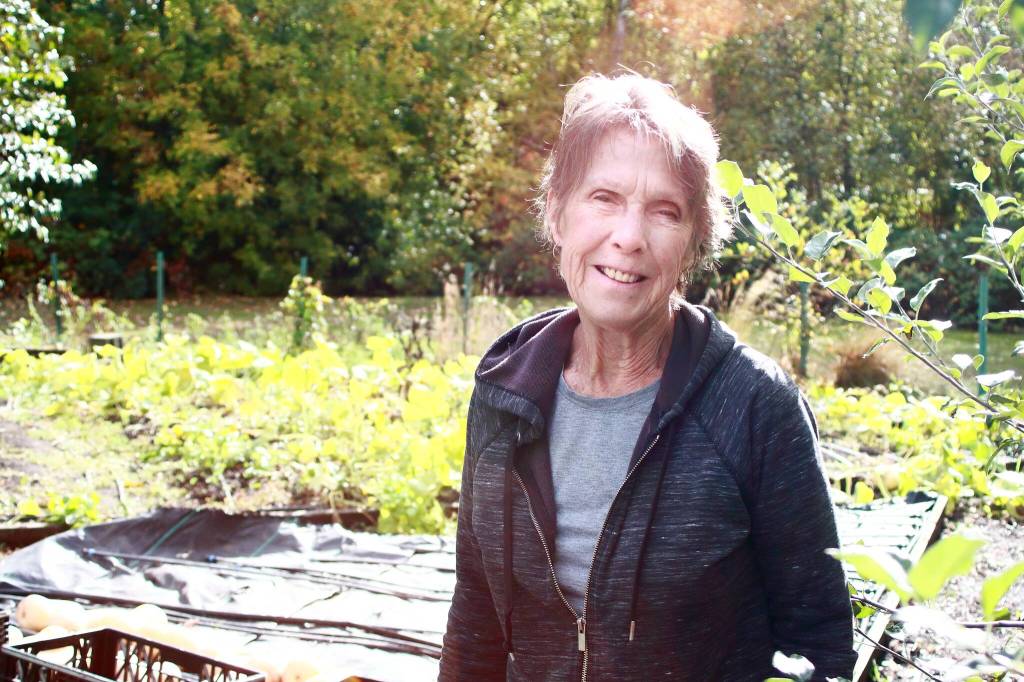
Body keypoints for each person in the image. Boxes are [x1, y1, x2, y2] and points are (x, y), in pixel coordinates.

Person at [439, 73, 856, 681]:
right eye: (603, 198)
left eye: (664, 211)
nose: (629, 238)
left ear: (693, 242)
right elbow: (476, 609)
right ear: (556, 215)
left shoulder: (754, 406)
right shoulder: (506, 391)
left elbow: (817, 639)